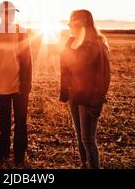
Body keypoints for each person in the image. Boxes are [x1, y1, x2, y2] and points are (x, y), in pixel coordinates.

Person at [59, 9, 111, 169]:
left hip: (89, 98)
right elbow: (66, 67)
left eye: (73, 23)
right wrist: (66, 91)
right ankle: (83, 165)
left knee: (88, 139)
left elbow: (103, 77)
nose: (69, 26)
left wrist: (96, 102)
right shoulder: (70, 42)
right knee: (79, 136)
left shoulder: (97, 45)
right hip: (74, 94)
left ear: (83, 24)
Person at [0, 1, 32, 167]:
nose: (10, 15)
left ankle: (19, 155)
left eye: (13, 13)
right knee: (3, 121)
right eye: (7, 12)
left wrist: (26, 85)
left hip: (19, 87)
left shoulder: (21, 32)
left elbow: (27, 61)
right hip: (0, 86)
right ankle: (2, 152)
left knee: (20, 122)